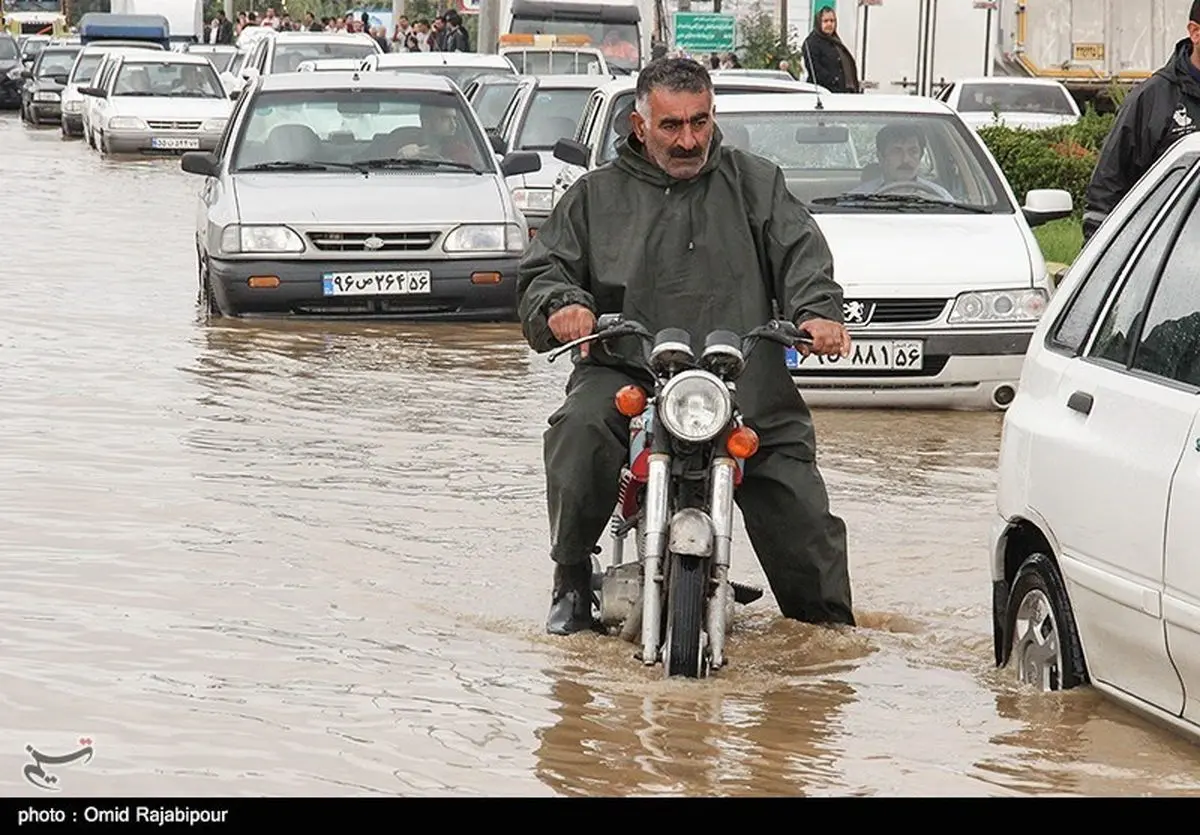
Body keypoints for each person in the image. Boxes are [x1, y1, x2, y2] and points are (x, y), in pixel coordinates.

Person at [516, 57, 857, 636]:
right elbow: (544, 270)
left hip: (741, 376)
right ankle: (570, 576)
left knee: (797, 490)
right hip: (629, 372)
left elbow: (801, 253)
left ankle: (825, 631)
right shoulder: (594, 197)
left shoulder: (757, 183)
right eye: (671, 126)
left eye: (700, 122)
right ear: (638, 124)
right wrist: (562, 307)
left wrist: (818, 312)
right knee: (576, 430)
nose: (688, 139)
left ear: (713, 114)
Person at [1082, 0, 1200, 241]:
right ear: (1195, 32)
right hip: (1167, 255)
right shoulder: (1153, 98)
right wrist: (1102, 258)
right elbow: (1109, 185)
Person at [849, 122, 954, 199]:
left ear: (921, 156)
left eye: (913, 151)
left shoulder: (940, 197)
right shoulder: (859, 198)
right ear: (881, 157)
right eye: (897, 151)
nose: (905, 159)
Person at [802, 5, 860, 93]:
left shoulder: (835, 40)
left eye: (832, 21)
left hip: (842, 93)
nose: (829, 24)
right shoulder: (811, 43)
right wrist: (834, 81)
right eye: (825, 21)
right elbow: (815, 70)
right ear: (818, 23)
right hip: (824, 94)